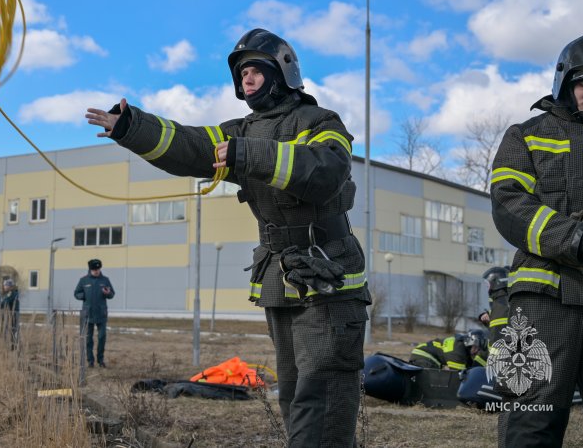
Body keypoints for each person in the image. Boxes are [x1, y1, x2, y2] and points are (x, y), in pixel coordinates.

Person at [86, 28, 370, 447]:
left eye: (255, 70)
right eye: (241, 73)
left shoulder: (319, 121)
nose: (246, 78)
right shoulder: (241, 130)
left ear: (283, 72)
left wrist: (247, 154)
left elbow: (326, 171)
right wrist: (131, 126)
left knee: (322, 399)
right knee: (295, 398)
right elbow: (187, 145)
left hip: (328, 281)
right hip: (283, 280)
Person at [490, 29, 583, 447]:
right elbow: (509, 204)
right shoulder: (524, 135)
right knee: (531, 419)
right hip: (541, 302)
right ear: (565, 82)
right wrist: (576, 236)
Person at [74, 258, 115, 367]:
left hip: (101, 313)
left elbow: (112, 294)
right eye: (94, 269)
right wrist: (83, 296)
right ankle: (90, 361)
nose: (96, 271)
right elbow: (76, 293)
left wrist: (108, 293)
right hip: (88, 314)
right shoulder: (83, 280)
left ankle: (100, 360)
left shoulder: (105, 280)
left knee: (102, 337)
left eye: (98, 269)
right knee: (88, 339)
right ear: (90, 269)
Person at [409, 330, 488, 371]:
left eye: (479, 349)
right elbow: (458, 376)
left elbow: (470, 368)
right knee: (433, 381)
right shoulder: (457, 352)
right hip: (423, 356)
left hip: (427, 357)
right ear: (469, 343)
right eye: (475, 348)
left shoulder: (463, 347)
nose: (476, 352)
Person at [1, 278, 20, 349]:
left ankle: (12, 345)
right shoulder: (14, 293)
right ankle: (13, 344)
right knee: (13, 329)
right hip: (13, 313)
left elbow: (6, 302)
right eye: (4, 285)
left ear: (10, 287)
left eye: (5, 285)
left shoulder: (11, 293)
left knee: (11, 329)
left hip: (12, 314)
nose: (4, 287)